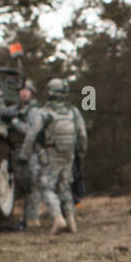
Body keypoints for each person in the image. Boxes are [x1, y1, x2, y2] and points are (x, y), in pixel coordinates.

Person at [35, 77, 87, 235]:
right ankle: (71, 221)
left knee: (46, 186)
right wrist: (80, 155)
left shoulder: (44, 112)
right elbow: (83, 135)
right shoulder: (73, 111)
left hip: (52, 153)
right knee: (65, 186)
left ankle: (58, 218)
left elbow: (34, 134)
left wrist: (28, 152)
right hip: (69, 154)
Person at [0, 80, 45, 231]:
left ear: (32, 93)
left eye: (27, 90)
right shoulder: (17, 108)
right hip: (17, 150)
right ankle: (26, 217)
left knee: (32, 184)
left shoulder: (34, 111)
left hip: (30, 151)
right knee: (22, 185)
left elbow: (31, 131)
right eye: (21, 90)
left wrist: (15, 123)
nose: (24, 93)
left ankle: (33, 218)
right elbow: (2, 112)